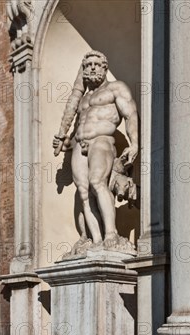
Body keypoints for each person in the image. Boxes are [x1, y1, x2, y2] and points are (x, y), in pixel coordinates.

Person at [53, 50, 138, 252]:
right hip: (80, 144)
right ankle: (97, 240)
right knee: (83, 192)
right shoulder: (83, 98)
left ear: (104, 67)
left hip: (102, 141)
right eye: (87, 64)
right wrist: (63, 139)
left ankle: (111, 234)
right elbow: (72, 116)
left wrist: (134, 143)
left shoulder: (115, 88)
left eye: (96, 64)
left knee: (97, 182)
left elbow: (131, 114)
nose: (92, 67)